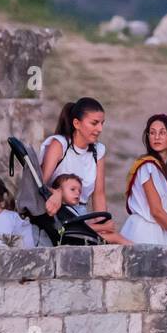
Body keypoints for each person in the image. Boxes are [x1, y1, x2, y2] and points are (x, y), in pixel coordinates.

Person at [120, 114, 167, 274]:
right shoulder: (147, 166)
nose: (156, 137)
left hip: (162, 233)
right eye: (152, 133)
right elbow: (157, 211)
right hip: (145, 231)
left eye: (162, 132)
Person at [40, 98, 119, 240]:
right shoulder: (60, 145)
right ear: (76, 123)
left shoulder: (98, 151)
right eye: (94, 123)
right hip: (56, 216)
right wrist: (56, 193)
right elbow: (39, 185)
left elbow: (99, 194)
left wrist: (103, 224)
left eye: (102, 123)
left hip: (81, 215)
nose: (100, 129)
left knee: (114, 237)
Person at [51, 174, 132, 245]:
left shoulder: (71, 210)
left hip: (77, 236)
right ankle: (135, 249)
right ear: (59, 191)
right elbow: (75, 228)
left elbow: (80, 225)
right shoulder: (63, 210)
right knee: (115, 237)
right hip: (74, 238)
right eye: (72, 189)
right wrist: (103, 227)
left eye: (79, 191)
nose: (77, 193)